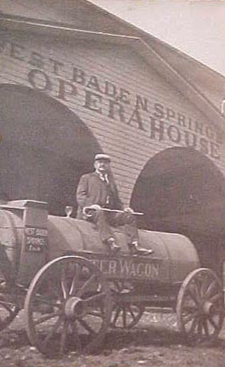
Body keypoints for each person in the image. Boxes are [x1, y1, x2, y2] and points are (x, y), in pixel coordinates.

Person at [76, 153, 153, 256]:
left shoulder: (111, 182)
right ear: (95, 164)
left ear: (108, 166)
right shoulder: (87, 178)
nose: (102, 164)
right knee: (99, 212)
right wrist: (91, 205)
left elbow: (117, 202)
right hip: (91, 212)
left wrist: (124, 209)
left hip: (108, 214)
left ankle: (134, 245)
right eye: (100, 162)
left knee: (129, 216)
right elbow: (80, 196)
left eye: (105, 163)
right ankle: (110, 241)